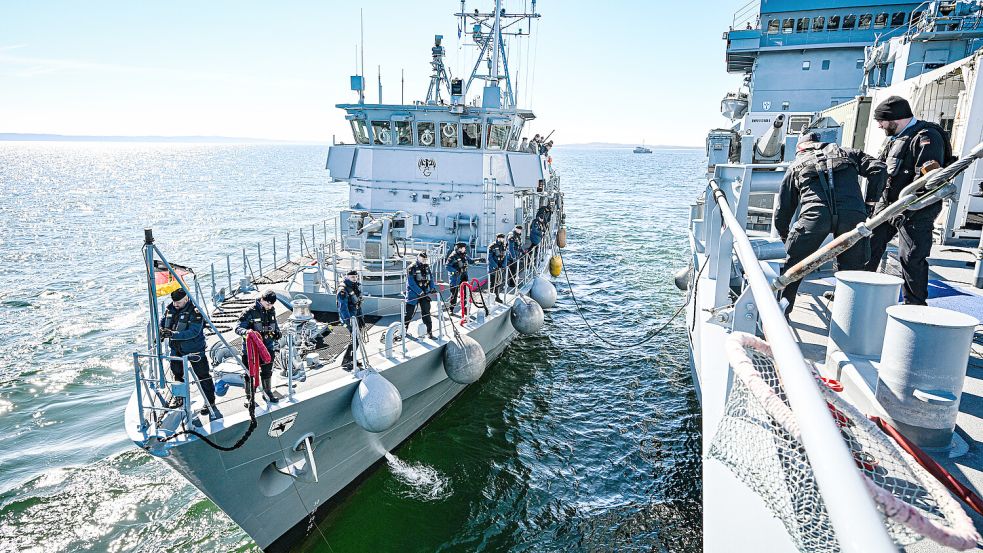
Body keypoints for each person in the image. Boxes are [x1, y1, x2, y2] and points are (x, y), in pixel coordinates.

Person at [775, 131, 886, 312]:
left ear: (800, 149)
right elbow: (879, 169)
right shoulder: (849, 153)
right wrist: (869, 203)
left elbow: (784, 208)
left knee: (793, 268)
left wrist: (784, 234)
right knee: (852, 271)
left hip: (814, 217)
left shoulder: (796, 164)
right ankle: (848, 319)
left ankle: (781, 314)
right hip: (853, 215)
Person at [864, 95, 952, 305]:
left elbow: (927, 179)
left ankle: (914, 305)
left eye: (881, 121)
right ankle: (859, 291)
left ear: (895, 118)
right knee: (868, 245)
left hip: (916, 209)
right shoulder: (895, 139)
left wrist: (907, 206)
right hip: (889, 205)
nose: (879, 125)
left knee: (911, 257)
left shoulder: (927, 137)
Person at [160, 288, 220, 419]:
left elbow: (194, 332)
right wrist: (161, 331)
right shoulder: (170, 309)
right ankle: (180, 398)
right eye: (174, 302)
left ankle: (210, 401)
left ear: (186, 299)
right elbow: (163, 322)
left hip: (194, 350)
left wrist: (172, 334)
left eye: (179, 302)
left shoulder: (196, 312)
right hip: (176, 350)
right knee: (177, 374)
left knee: (203, 376)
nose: (176, 305)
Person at [235, 290, 282, 403]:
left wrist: (277, 332)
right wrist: (247, 333)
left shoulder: (271, 310)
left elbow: (274, 325)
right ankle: (250, 397)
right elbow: (238, 328)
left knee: (267, 371)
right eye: (268, 304)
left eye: (271, 305)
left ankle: (267, 392)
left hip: (268, 348)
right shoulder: (249, 311)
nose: (269, 307)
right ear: (262, 299)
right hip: (250, 351)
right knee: (249, 374)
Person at [405, 253, 437, 339]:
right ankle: (403, 331)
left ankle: (429, 332)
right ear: (418, 258)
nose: (424, 260)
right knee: (408, 314)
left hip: (424, 293)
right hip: (413, 294)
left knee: (426, 313)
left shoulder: (426, 267)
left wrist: (432, 288)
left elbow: (430, 278)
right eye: (422, 258)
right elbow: (411, 283)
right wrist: (420, 292)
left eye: (425, 259)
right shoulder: (411, 268)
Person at [337, 270, 365, 371]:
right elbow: (342, 308)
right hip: (350, 318)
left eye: (356, 277)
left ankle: (351, 359)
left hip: (356, 315)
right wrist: (348, 321)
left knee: (356, 339)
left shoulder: (355, 286)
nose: (355, 278)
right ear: (347, 277)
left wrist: (361, 317)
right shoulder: (343, 290)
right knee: (355, 339)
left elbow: (357, 303)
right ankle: (346, 361)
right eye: (352, 277)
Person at [446, 242, 474, 311]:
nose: (465, 249)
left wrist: (479, 259)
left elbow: (470, 261)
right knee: (454, 294)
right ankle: (451, 308)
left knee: (465, 293)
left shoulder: (464, 255)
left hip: (464, 276)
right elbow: (447, 266)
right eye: (464, 248)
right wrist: (455, 271)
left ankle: (464, 308)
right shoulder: (453, 256)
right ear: (460, 248)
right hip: (456, 278)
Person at [487, 233, 508, 303]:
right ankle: (490, 297)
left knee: (498, 282)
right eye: (500, 238)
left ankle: (497, 296)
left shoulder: (504, 246)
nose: (501, 239)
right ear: (497, 238)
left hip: (500, 267)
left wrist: (504, 265)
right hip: (493, 267)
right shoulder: (492, 246)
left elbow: (505, 256)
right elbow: (490, 258)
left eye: (502, 238)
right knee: (493, 282)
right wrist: (495, 266)